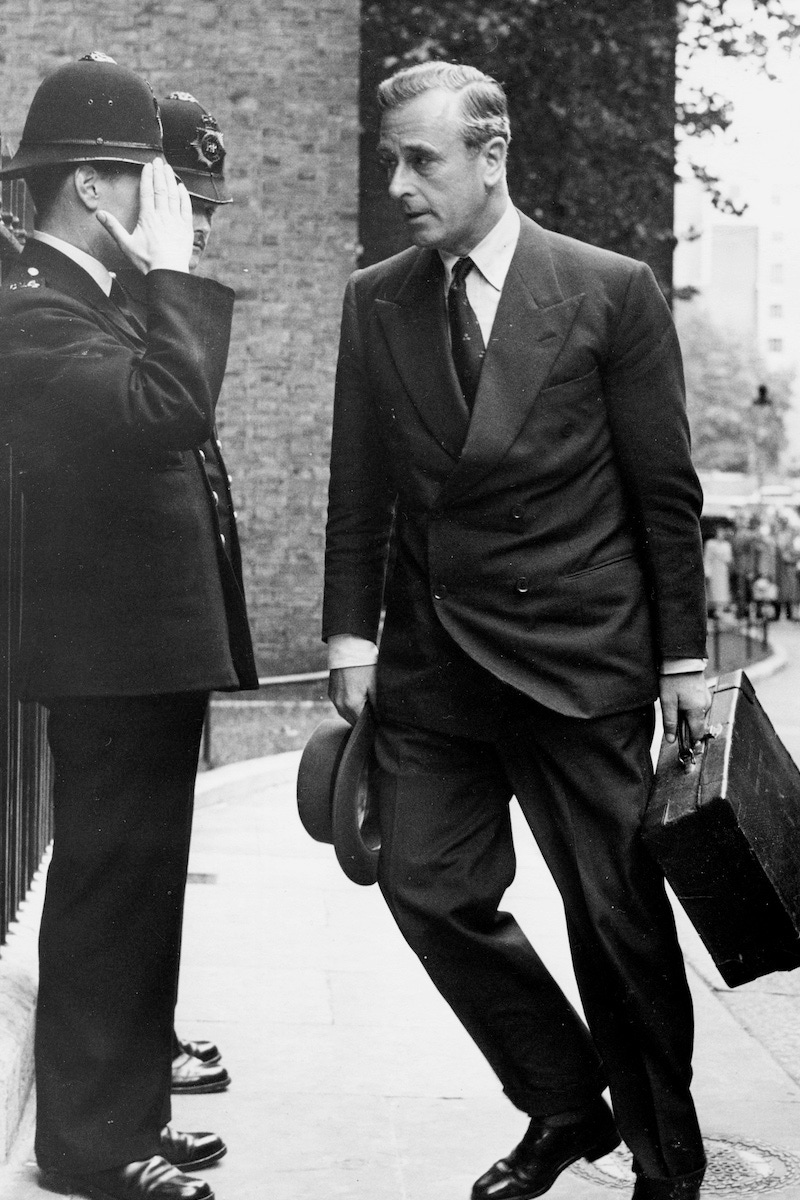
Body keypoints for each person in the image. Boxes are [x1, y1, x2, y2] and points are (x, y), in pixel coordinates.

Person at [323, 62, 710, 1200]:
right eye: (389, 159)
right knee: (425, 889)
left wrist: (682, 657)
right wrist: (352, 639)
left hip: (577, 657)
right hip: (435, 661)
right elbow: (360, 490)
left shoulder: (606, 289)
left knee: (614, 923)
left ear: (490, 158)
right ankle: (561, 1104)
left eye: (421, 159)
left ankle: (663, 1156)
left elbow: (663, 493)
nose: (398, 182)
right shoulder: (376, 296)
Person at [0, 54, 257, 1200]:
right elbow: (167, 411)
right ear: (96, 189)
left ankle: (127, 1116)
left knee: (136, 890)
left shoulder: (85, 302)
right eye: (147, 182)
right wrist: (170, 272)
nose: (169, 211)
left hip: (138, 655)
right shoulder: (32, 312)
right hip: (105, 657)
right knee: (110, 893)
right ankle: (93, 1145)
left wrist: (153, 282)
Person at [118, 90, 239, 1100]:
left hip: (157, 634)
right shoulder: (116, 298)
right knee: (120, 859)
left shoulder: (149, 295)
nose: (197, 227)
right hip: (114, 637)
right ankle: (132, 1036)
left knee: (149, 855)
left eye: (206, 208)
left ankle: (144, 1026)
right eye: (181, 199)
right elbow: (169, 418)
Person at [703, 525, 733, 618]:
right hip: (714, 569)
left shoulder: (726, 545)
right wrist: (707, 571)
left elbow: (729, 558)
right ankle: (713, 610)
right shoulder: (710, 544)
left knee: (722, 589)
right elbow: (707, 558)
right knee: (713, 589)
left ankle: (720, 609)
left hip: (722, 570)